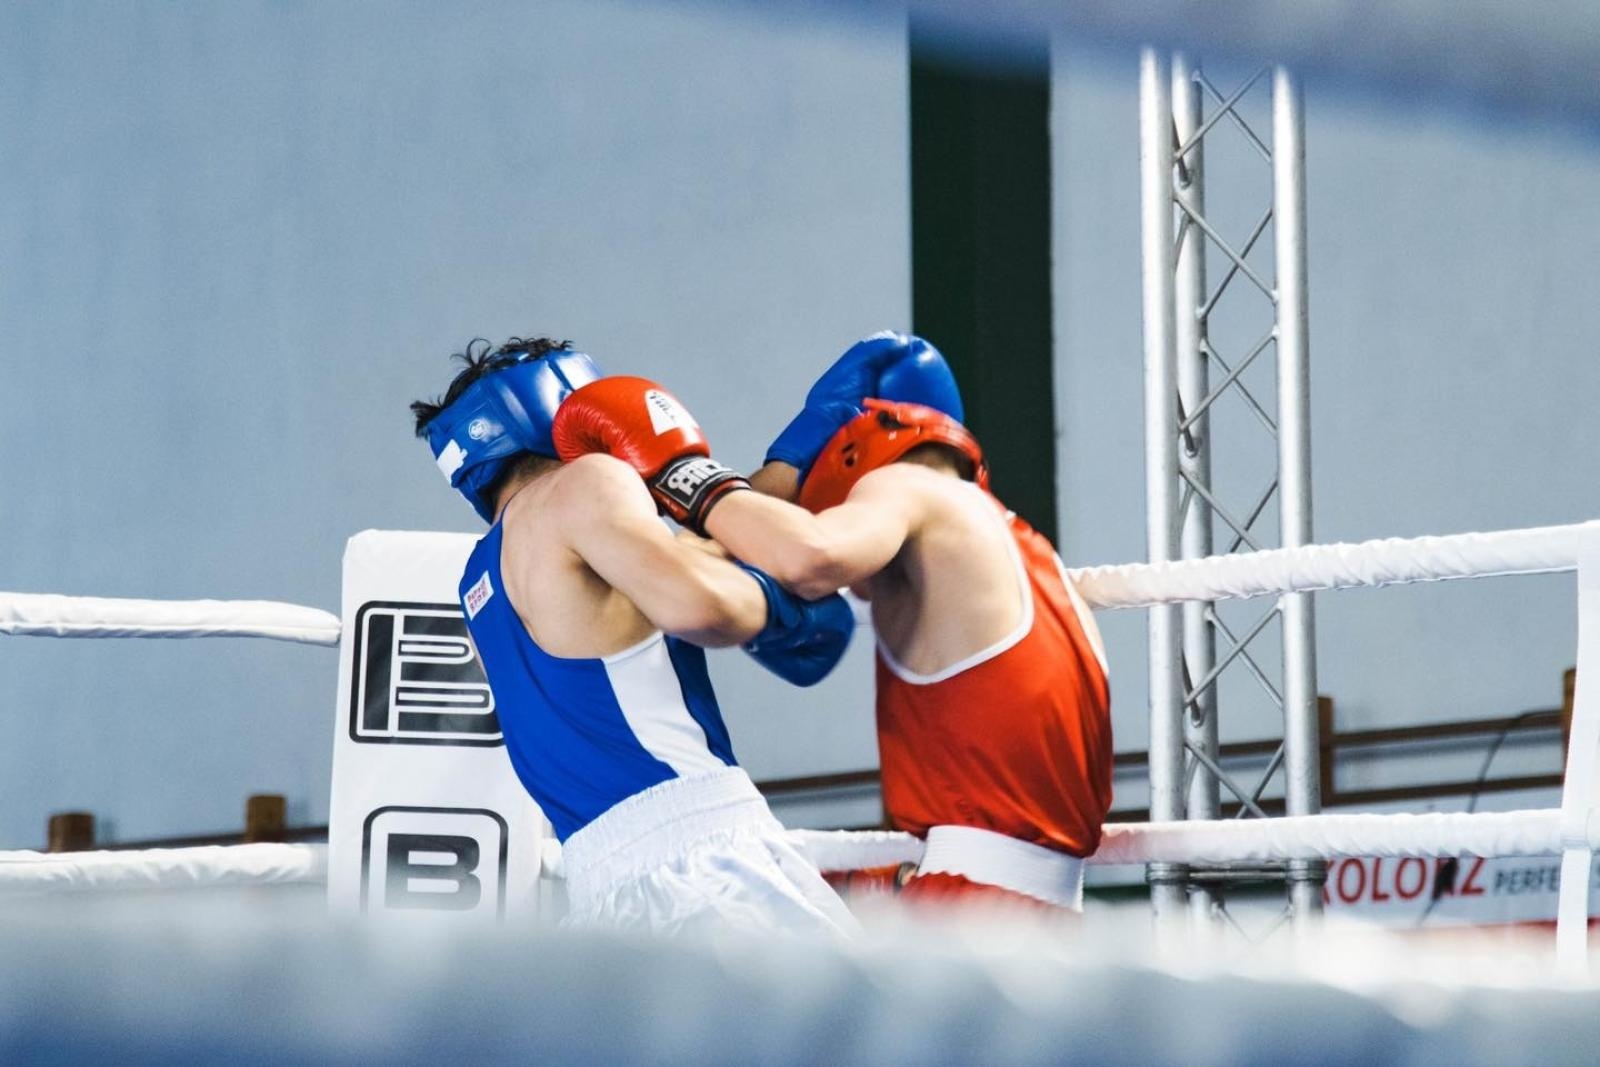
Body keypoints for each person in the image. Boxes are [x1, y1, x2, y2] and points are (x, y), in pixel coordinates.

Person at [554, 333, 1112, 912]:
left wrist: (685, 475)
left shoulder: (907, 484)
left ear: (855, 464)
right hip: (1024, 899)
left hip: (969, 907)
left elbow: (811, 558)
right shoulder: (1021, 549)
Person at [411, 336, 858, 938]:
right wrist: (789, 604)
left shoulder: (479, 581)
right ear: (569, 403)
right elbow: (700, 601)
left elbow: (687, 559)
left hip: (602, 897)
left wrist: (790, 462)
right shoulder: (586, 482)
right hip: (702, 858)